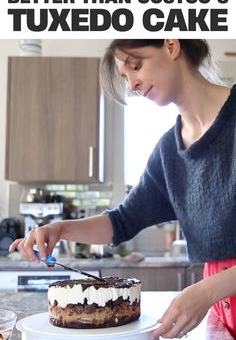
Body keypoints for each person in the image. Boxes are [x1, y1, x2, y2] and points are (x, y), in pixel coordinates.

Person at [9, 39, 236, 339]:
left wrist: (207, 291)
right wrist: (61, 229)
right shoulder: (169, 151)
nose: (133, 84)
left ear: (170, 45)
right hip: (222, 304)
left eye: (135, 65)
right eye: (125, 77)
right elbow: (121, 221)